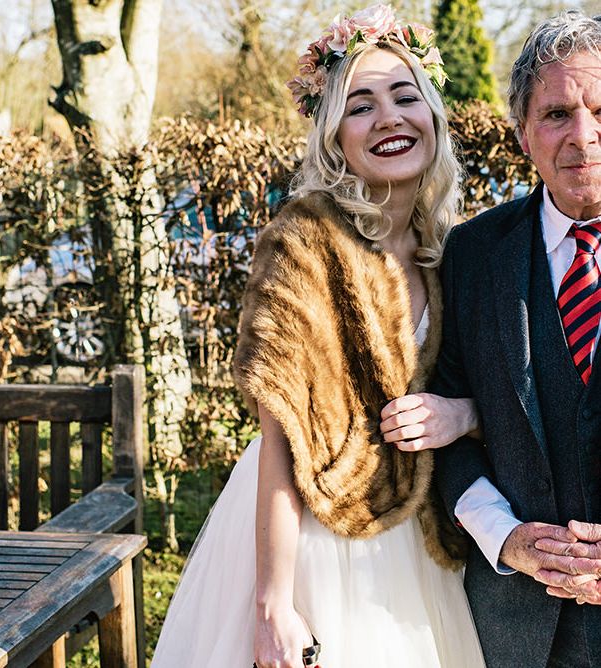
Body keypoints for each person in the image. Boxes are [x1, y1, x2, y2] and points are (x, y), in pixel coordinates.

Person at [151, 5, 486, 667]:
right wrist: (274, 601)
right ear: (335, 136)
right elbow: (279, 437)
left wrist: (464, 415)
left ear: (433, 116)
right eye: (360, 105)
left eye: (404, 95)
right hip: (313, 528)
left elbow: (487, 390)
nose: (388, 117)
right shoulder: (304, 242)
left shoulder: (452, 247)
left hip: (420, 531)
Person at [381, 9, 601, 668]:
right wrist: (505, 538)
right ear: (523, 134)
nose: (583, 137)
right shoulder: (473, 255)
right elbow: (447, 430)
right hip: (514, 630)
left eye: (600, 108)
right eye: (557, 114)